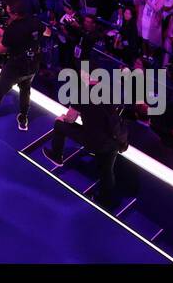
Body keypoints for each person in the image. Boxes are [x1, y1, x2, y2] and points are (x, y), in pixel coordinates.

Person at [43, 66, 127, 205]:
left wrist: (64, 117)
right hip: (113, 142)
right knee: (107, 171)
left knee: (60, 124)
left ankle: (57, 156)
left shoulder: (82, 94)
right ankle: (106, 199)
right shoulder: (110, 93)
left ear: (88, 78)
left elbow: (70, 119)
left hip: (94, 141)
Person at [0, 0, 40, 131]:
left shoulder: (12, 30)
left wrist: (1, 35)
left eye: (9, 12)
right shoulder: (34, 21)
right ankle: (23, 117)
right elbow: (47, 32)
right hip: (33, 64)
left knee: (1, 85)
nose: (8, 13)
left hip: (16, 66)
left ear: (15, 14)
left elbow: (1, 50)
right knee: (25, 89)